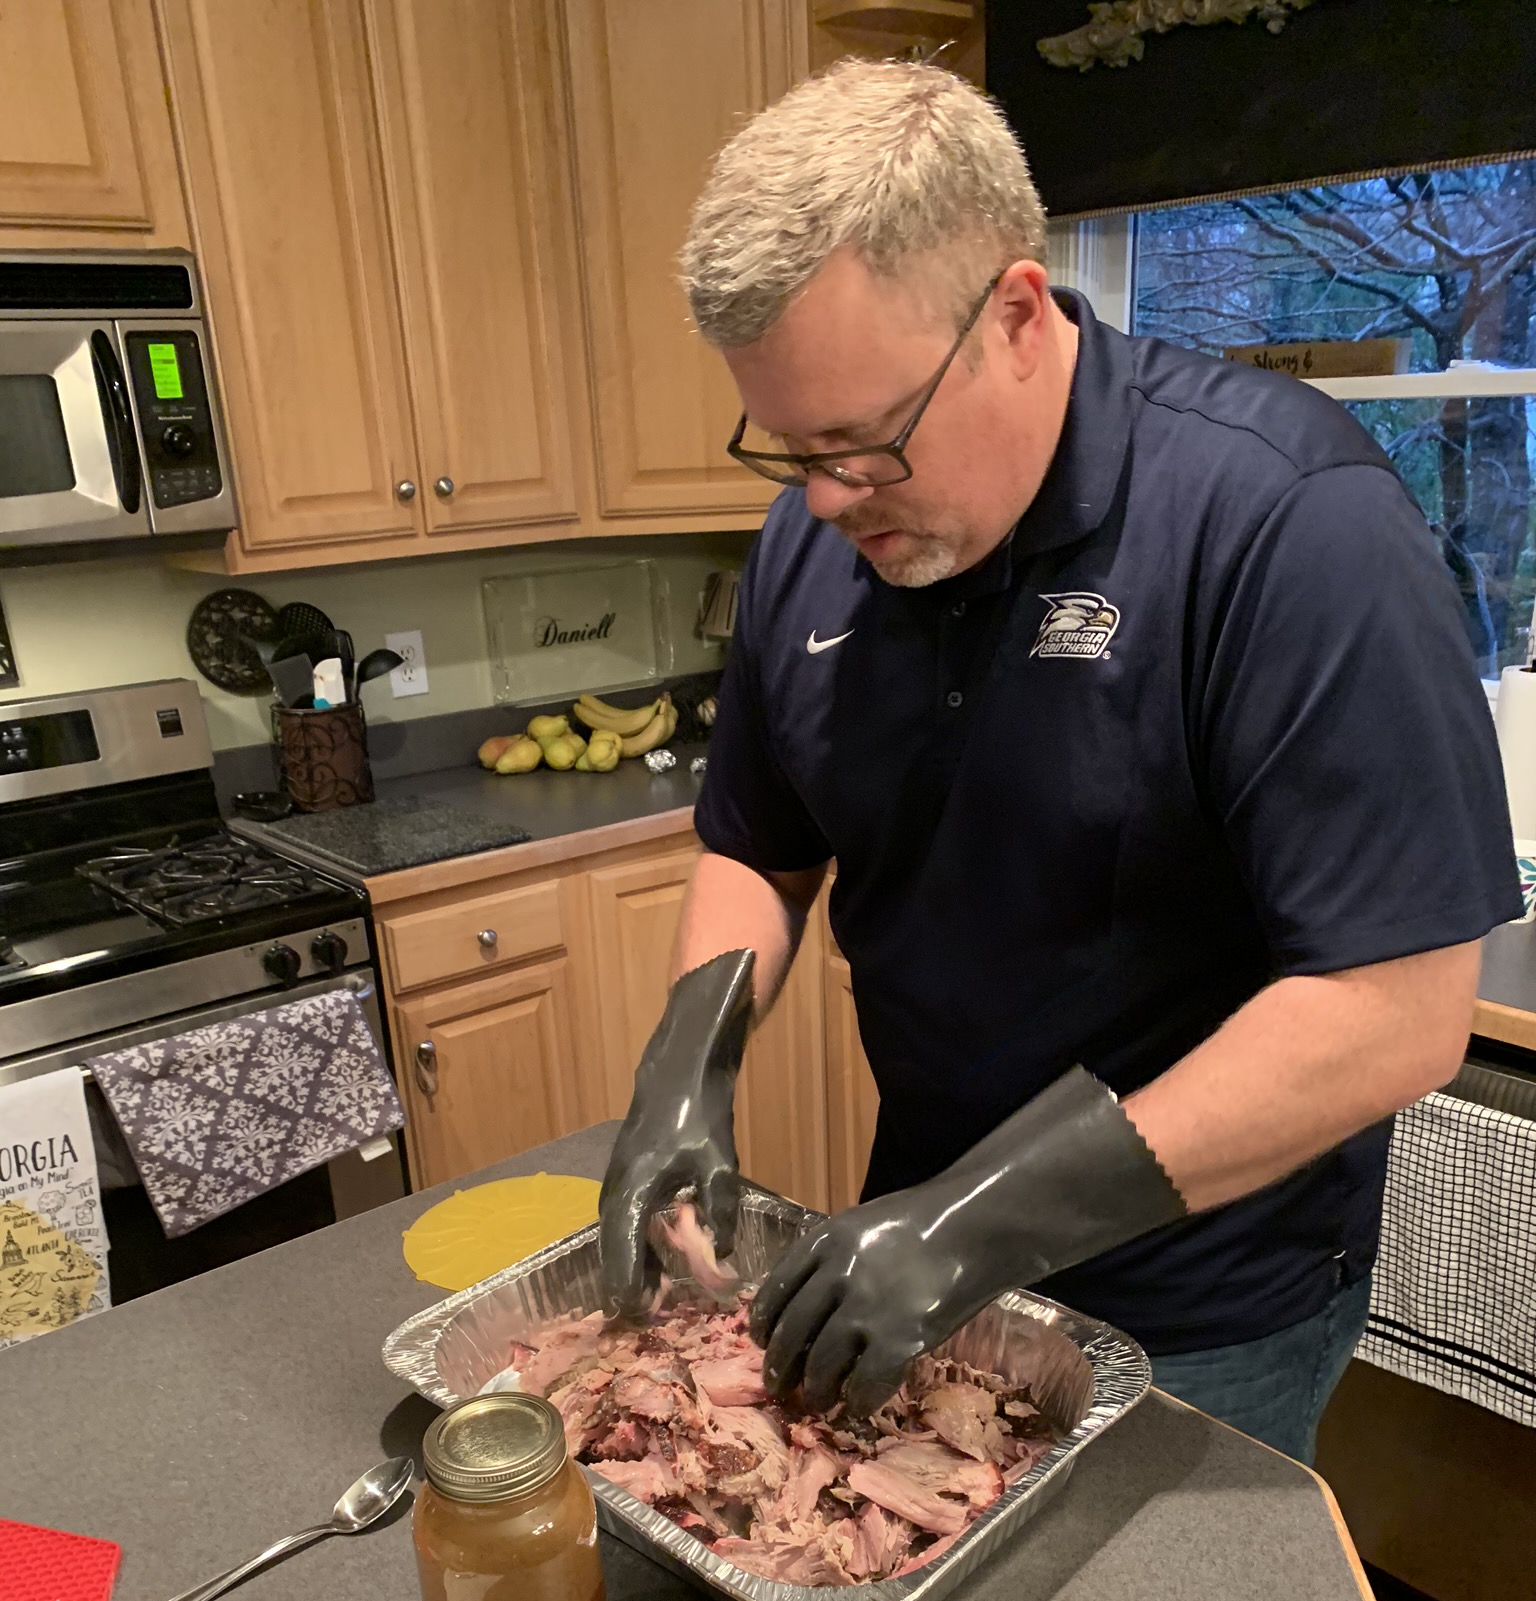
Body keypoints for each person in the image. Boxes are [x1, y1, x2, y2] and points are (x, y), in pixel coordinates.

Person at [598, 60, 1520, 1464]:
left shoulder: (1290, 522)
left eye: (864, 440)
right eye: (787, 450)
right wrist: (689, 1063)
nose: (827, 497)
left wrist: (983, 1222)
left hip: (1202, 1303)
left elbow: (1396, 1012)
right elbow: (760, 848)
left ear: (1018, 317)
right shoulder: (816, 542)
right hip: (905, 1245)